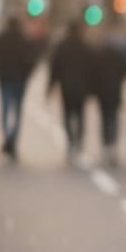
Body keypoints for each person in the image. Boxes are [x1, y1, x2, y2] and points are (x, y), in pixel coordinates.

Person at [0, 15, 37, 160]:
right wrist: (27, 72)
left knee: (5, 110)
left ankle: (8, 138)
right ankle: (12, 140)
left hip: (5, 79)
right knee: (17, 112)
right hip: (19, 80)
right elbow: (33, 57)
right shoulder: (24, 39)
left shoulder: (1, 37)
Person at [48, 20, 93, 161]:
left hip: (66, 87)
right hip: (81, 88)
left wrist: (50, 87)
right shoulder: (84, 46)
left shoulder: (62, 47)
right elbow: (92, 69)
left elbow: (55, 68)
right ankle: (78, 142)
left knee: (68, 116)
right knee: (80, 115)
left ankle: (70, 142)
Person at [90, 33, 126, 167]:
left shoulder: (99, 55)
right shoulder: (119, 56)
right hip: (115, 92)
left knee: (104, 120)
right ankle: (112, 145)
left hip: (102, 93)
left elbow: (93, 73)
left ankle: (106, 146)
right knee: (113, 119)